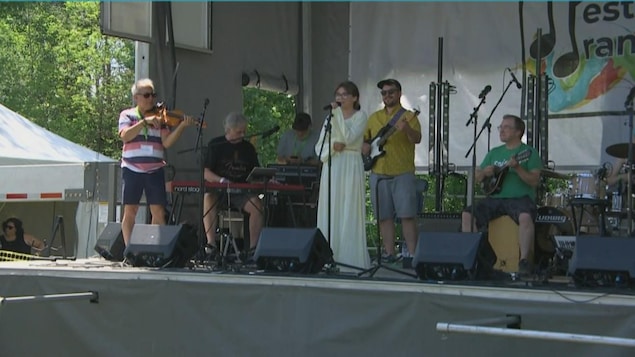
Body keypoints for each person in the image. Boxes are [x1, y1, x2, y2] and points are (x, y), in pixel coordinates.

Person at [461, 114, 542, 275]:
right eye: (501, 127)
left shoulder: (529, 152)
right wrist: (484, 172)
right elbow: (478, 177)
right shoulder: (494, 153)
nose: (501, 130)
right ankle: (476, 257)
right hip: (495, 199)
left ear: (518, 132)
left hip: (520, 199)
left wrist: (518, 168)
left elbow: (534, 181)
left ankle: (524, 261)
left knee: (525, 217)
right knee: (467, 215)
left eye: (506, 127)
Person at [118, 78, 194, 247]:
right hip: (132, 169)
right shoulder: (127, 115)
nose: (151, 99)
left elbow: (166, 143)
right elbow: (125, 136)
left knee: (158, 211)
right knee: (131, 211)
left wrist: (181, 126)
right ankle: (129, 250)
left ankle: (155, 249)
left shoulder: (160, 119)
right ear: (136, 97)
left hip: (155, 169)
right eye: (146, 95)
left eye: (153, 95)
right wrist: (144, 122)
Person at [362, 79, 422, 263]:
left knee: (407, 215)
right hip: (378, 171)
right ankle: (389, 253)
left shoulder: (410, 116)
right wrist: (365, 146)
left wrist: (407, 130)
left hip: (402, 171)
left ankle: (412, 254)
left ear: (399, 93)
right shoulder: (373, 117)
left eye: (391, 92)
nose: (387, 95)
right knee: (383, 216)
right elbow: (365, 139)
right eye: (384, 93)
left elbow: (417, 139)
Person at [315, 80, 370, 269]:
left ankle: (349, 260)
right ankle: (327, 257)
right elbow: (319, 146)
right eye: (338, 95)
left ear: (354, 97)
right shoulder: (330, 117)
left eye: (344, 94)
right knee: (331, 208)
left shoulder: (360, 116)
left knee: (348, 208)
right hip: (333, 163)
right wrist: (332, 147)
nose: (340, 98)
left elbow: (349, 138)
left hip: (350, 163)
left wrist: (337, 114)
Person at [203, 112, 264, 259]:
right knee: (208, 196)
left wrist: (264, 178)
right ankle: (211, 244)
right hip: (219, 190)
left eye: (244, 131)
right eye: (239, 132)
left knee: (257, 204)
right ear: (228, 130)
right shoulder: (215, 145)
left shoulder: (248, 148)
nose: (243, 134)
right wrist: (222, 181)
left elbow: (256, 172)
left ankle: (253, 249)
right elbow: (205, 172)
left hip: (241, 192)